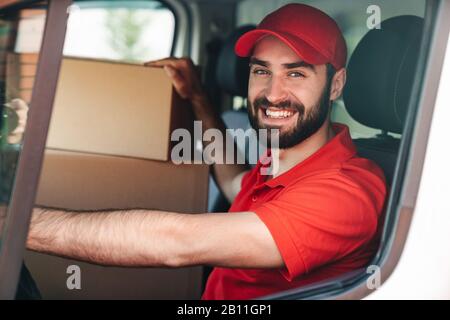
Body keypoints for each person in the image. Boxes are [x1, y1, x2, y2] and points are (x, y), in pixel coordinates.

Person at [27, 3, 386, 300]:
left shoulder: (346, 191)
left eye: (296, 74)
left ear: (335, 84)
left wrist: (20, 227)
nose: (273, 93)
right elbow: (233, 183)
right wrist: (199, 99)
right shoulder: (284, 161)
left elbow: (177, 243)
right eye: (262, 71)